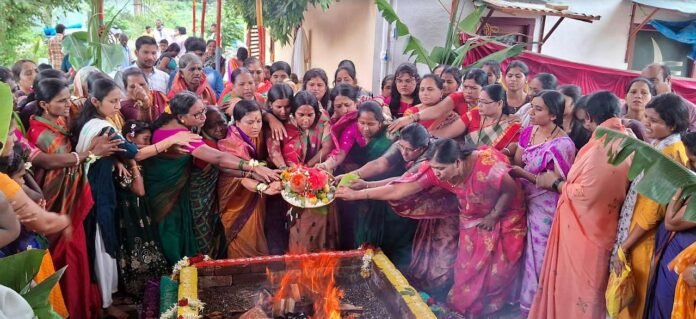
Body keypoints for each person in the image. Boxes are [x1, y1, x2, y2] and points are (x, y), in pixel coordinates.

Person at [337, 139, 526, 316]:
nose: (437, 174)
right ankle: (463, 309)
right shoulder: (436, 168)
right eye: (434, 169)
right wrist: (361, 192)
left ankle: (492, 310)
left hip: (506, 215)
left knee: (500, 270)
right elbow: (400, 188)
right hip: (472, 217)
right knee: (467, 267)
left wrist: (494, 216)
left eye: (441, 169)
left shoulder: (487, 165)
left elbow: (510, 189)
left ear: (458, 163)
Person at [71, 77, 199, 318]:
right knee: (102, 247)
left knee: (103, 246)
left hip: (96, 190)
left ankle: (105, 301)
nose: (118, 105)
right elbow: (137, 153)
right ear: (95, 101)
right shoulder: (103, 127)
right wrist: (172, 140)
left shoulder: (92, 122)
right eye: (112, 101)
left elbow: (123, 154)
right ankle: (105, 305)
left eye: (119, 100)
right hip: (98, 194)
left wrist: (120, 161)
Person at [529, 91, 631, 318]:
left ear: (591, 118)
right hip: (589, 226)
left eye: (585, 119)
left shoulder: (603, 148)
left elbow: (587, 194)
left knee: (578, 292)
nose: (584, 124)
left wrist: (556, 183)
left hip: (587, 232)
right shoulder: (620, 138)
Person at [145, 91, 277, 264]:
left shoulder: (179, 123)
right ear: (181, 116)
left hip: (179, 187)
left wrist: (253, 171)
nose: (203, 117)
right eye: (197, 114)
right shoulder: (179, 134)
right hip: (165, 190)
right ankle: (174, 275)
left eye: (203, 111)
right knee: (171, 232)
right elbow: (218, 159)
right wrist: (253, 167)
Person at [339, 123, 459, 299]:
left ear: (422, 148)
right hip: (418, 198)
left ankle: (435, 297)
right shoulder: (404, 144)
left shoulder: (429, 160)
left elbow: (400, 186)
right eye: (401, 147)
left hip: (446, 207)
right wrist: (356, 175)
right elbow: (381, 164)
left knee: (439, 258)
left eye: (409, 150)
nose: (404, 153)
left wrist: (361, 191)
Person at [25, 78, 103, 318]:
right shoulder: (39, 131)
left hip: (70, 201)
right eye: (61, 101)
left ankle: (82, 307)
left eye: (68, 98)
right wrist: (89, 153)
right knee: (65, 258)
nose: (68, 104)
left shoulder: (59, 121)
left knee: (77, 255)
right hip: (56, 205)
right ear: (43, 104)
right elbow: (49, 161)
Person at [611, 93, 689, 319]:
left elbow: (651, 213)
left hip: (643, 240)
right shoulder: (662, 147)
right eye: (646, 117)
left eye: (653, 120)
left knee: (634, 300)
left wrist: (624, 247)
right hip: (639, 234)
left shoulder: (669, 155)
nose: (646, 123)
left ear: (672, 124)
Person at [509, 90, 576, 315]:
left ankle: (534, 306)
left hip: (545, 206)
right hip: (521, 197)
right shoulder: (528, 132)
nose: (532, 112)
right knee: (517, 247)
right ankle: (514, 297)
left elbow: (558, 183)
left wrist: (523, 174)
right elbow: (518, 161)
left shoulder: (563, 144)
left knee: (538, 255)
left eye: (538, 109)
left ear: (554, 115)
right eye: (532, 107)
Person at [218, 100, 282, 258]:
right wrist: (264, 188)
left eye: (259, 121)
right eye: (250, 122)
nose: (255, 126)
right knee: (243, 237)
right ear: (237, 122)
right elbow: (242, 179)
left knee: (258, 232)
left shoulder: (258, 133)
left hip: (255, 193)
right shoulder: (231, 143)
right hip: (236, 197)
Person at [643, 131, 696, 318]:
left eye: (693, 162)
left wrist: (681, 188)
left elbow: (671, 221)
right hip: (674, 258)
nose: (688, 166)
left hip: (687, 266)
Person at [280, 91, 339, 253]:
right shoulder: (286, 125)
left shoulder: (323, 122)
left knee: (319, 223)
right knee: (297, 223)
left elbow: (327, 148)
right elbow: (283, 153)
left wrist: (309, 167)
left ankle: (320, 261)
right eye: (301, 114)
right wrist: (297, 172)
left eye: (310, 115)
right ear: (293, 113)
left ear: (316, 113)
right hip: (294, 180)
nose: (305, 119)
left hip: (318, 179)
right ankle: (298, 260)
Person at [115, 120, 168, 298]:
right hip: (129, 213)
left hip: (139, 210)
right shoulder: (123, 162)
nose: (148, 145)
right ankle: (139, 288)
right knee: (135, 244)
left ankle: (152, 284)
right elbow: (139, 190)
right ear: (130, 137)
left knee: (146, 241)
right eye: (145, 139)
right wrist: (132, 162)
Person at [190, 107, 227, 257]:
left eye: (222, 123)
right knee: (204, 230)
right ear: (204, 126)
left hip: (210, 198)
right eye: (213, 125)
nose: (219, 129)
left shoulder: (214, 142)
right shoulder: (207, 146)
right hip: (200, 198)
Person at [263, 83, 294, 254]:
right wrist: (286, 171)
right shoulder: (266, 122)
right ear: (269, 105)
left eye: (287, 106)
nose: (283, 111)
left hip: (295, 178)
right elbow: (273, 151)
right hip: (275, 178)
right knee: (274, 220)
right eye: (278, 107)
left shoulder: (297, 118)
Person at [641, 62, 696, 131]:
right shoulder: (637, 104)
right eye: (644, 81)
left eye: (652, 80)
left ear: (668, 80)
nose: (647, 85)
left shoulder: (691, 110)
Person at [558, 85, 591, 150]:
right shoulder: (552, 121)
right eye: (558, 100)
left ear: (575, 103)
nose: (558, 103)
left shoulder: (584, 127)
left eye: (563, 101)